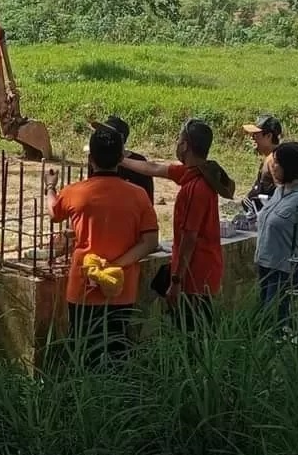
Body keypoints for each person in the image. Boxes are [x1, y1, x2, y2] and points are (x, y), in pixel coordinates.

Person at [45, 125, 160, 367]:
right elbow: (150, 242)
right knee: (118, 350)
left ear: (90, 159)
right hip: (121, 287)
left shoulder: (76, 192)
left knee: (84, 348)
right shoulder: (138, 195)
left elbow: (53, 213)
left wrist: (50, 186)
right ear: (121, 158)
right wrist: (114, 265)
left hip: (83, 287)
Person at [119, 119, 235, 331]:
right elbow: (153, 168)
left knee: (193, 332)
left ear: (186, 145)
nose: (177, 143)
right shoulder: (193, 173)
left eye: (179, 139)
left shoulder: (196, 188)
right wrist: (121, 159)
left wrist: (176, 280)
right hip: (199, 269)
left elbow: (189, 238)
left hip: (195, 274)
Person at [255, 141, 298, 332]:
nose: (272, 167)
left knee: (274, 321)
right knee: (266, 315)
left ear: (289, 167)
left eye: (277, 163)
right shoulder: (279, 192)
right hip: (266, 265)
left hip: (284, 270)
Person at [100, 115, 155, 204]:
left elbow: (148, 201)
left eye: (107, 134)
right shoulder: (98, 158)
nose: (102, 137)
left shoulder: (139, 162)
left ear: (121, 138)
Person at [241, 115, 283, 213]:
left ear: (269, 136)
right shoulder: (270, 157)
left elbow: (283, 193)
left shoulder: (274, 160)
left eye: (255, 135)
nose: (252, 138)